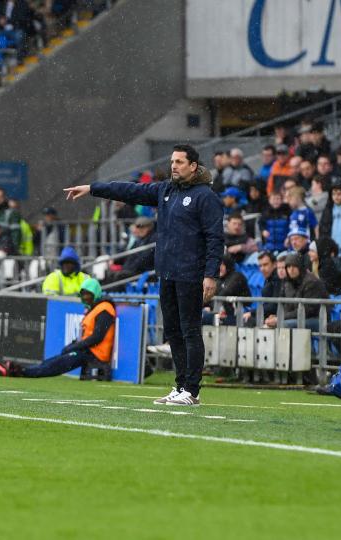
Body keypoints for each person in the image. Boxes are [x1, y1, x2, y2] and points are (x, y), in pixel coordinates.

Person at [64, 144, 223, 406]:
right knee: (172, 331)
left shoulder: (205, 197)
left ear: (193, 166)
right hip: (168, 272)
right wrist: (93, 189)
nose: (174, 166)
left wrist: (210, 275)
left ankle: (192, 391)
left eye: (180, 162)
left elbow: (215, 238)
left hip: (191, 274)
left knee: (190, 331)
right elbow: (130, 191)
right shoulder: (166, 191)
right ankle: (181, 385)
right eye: (172, 161)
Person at [0, 278, 115, 379]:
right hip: (87, 351)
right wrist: (74, 345)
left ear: (96, 293)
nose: (85, 297)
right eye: (83, 294)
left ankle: (20, 371)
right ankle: (19, 369)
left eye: (88, 294)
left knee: (58, 364)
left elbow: (97, 337)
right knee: (53, 360)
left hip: (95, 355)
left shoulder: (105, 309)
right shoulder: (94, 308)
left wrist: (75, 346)